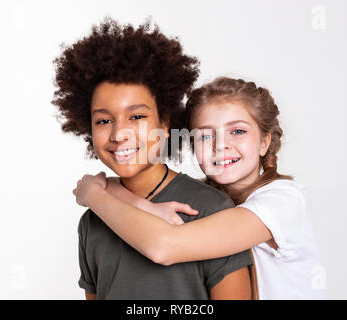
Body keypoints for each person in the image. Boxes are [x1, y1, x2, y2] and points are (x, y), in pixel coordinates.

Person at [73, 77, 328, 299]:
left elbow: (163, 246)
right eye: (205, 136)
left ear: (264, 142)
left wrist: (94, 194)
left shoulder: (284, 201)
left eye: (237, 131)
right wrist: (137, 202)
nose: (220, 145)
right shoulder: (206, 198)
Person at [53, 19, 253, 300]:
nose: (119, 134)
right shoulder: (92, 221)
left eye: (137, 116)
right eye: (103, 120)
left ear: (165, 122)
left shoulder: (210, 209)